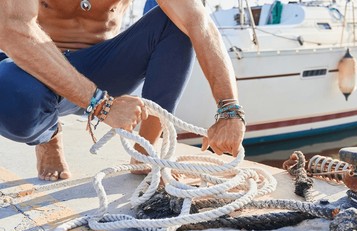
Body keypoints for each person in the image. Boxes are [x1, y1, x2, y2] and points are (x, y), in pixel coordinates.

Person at [0, 0, 246, 181]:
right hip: (34, 69)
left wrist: (229, 109)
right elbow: (12, 29)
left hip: (100, 68)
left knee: (173, 23)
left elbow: (197, 20)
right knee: (9, 94)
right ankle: (49, 136)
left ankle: (144, 154)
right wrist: (99, 104)